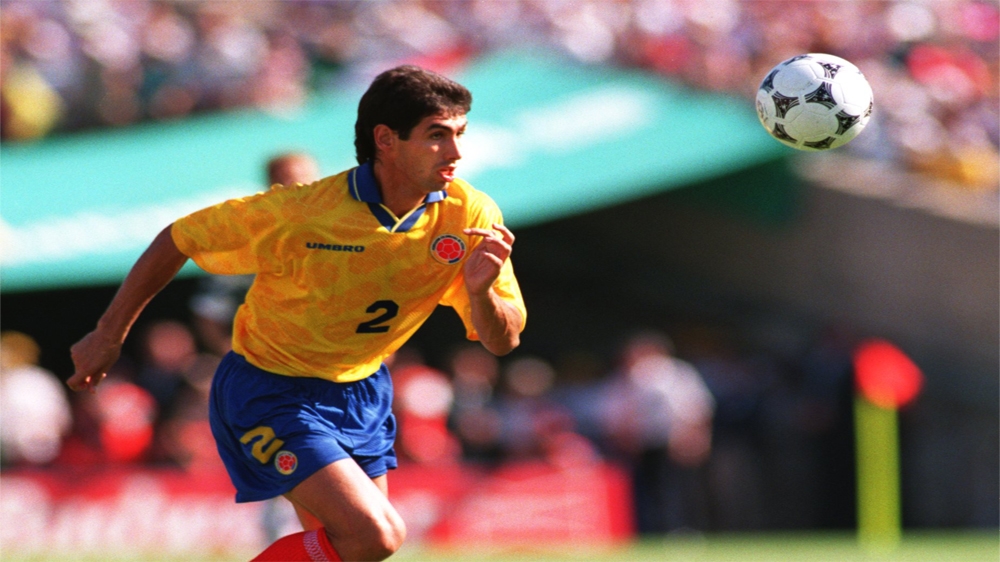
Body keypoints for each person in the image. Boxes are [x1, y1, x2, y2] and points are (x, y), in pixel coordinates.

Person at [67, 65, 526, 562]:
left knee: (349, 552)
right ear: (386, 140)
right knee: (377, 535)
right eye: (437, 136)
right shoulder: (301, 212)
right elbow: (179, 238)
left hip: (362, 392)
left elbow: (503, 340)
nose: (456, 153)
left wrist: (480, 293)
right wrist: (108, 333)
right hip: (271, 388)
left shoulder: (471, 215)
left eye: (459, 135)